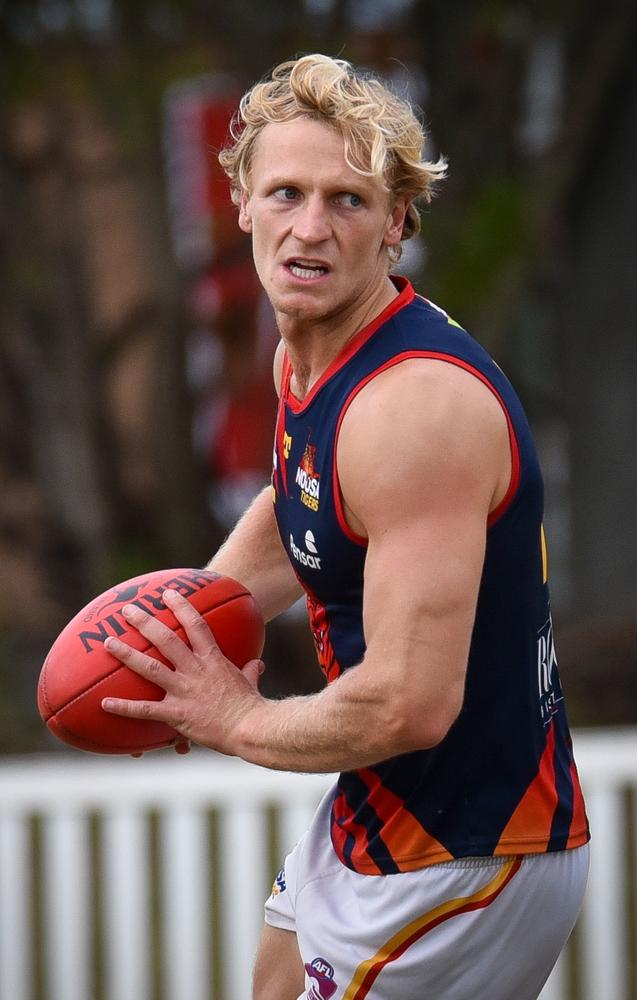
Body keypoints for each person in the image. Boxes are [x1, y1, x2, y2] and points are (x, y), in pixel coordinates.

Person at [102, 54, 590, 1000]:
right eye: (285, 192)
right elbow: (309, 504)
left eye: (350, 201)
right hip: (383, 803)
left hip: (467, 849)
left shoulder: (415, 411)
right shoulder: (317, 352)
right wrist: (187, 630)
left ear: (399, 222)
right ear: (240, 199)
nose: (310, 228)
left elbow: (410, 702)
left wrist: (236, 717)